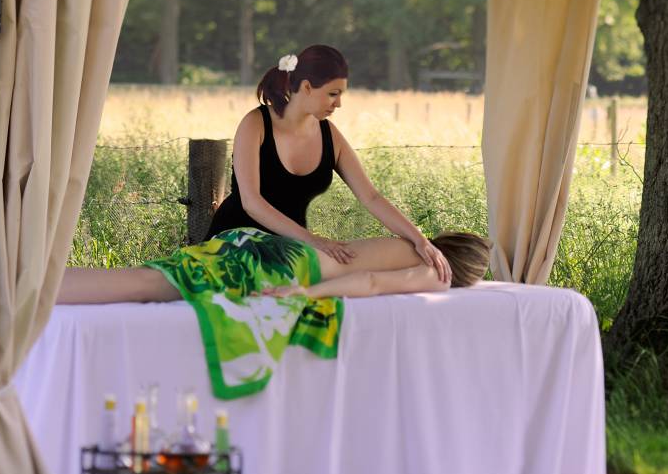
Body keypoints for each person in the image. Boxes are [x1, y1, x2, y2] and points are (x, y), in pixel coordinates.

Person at [205, 44, 454, 284]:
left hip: (291, 254)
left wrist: (419, 239)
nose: (339, 103)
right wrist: (315, 241)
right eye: (333, 94)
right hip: (235, 244)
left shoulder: (329, 135)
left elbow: (371, 197)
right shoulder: (255, 123)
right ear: (307, 87)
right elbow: (252, 203)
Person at [54, 227, 492, 306]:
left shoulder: (411, 242)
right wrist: (305, 294)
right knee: (149, 285)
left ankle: (35, 283)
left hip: (269, 247)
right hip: (284, 269)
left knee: (153, 274)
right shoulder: (437, 272)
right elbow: (372, 282)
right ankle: (30, 291)